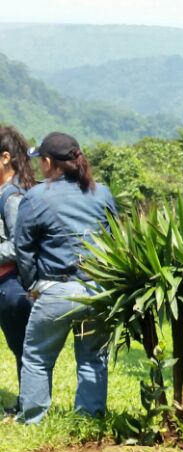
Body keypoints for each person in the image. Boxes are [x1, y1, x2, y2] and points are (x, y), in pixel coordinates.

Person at [14, 132, 117, 425]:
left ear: (48, 162)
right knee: (93, 357)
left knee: (37, 357)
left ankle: (33, 419)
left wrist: (32, 285)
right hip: (97, 290)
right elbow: (115, 240)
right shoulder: (102, 193)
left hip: (57, 291)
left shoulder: (36, 197)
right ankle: (89, 419)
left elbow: (24, 249)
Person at [0, 125, 34, 413]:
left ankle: (28, 404)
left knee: (21, 346)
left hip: (11, 285)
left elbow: (18, 244)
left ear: (5, 157)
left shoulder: (12, 197)